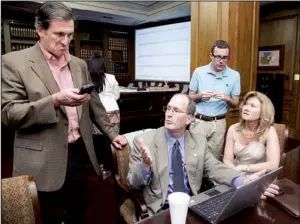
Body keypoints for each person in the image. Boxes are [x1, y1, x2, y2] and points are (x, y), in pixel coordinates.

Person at [1, 2, 127, 224]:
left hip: (78, 152)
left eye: (69, 35)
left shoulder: (79, 64)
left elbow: (94, 105)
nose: (66, 42)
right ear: (39, 29)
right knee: (46, 214)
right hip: (41, 157)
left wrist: (111, 134)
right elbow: (9, 114)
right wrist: (54, 101)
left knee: (80, 207)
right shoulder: (14, 63)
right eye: (59, 34)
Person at [126, 93, 279, 216]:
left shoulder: (198, 141)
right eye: (169, 108)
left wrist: (244, 182)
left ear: (189, 118)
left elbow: (215, 167)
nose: (169, 114)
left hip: (193, 206)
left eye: (176, 110)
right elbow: (131, 183)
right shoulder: (145, 141)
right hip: (160, 208)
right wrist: (144, 166)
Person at [189, 40, 241, 160]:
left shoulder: (234, 75)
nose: (221, 61)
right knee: (194, 158)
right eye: (218, 57)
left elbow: (236, 103)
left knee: (213, 161)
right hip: (198, 122)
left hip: (219, 124)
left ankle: (209, 180)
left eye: (225, 57)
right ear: (211, 56)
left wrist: (227, 98)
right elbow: (189, 98)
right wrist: (200, 96)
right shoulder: (199, 72)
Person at [223, 91, 280, 175]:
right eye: (246, 104)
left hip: (257, 175)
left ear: (262, 112)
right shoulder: (233, 129)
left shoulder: (269, 131)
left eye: (252, 106)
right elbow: (227, 159)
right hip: (236, 172)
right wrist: (234, 174)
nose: (246, 108)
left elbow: (273, 164)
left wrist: (245, 168)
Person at [88, 54, 121, 179]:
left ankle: (101, 168)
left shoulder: (87, 78)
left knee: (97, 141)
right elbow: (117, 95)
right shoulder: (111, 78)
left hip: (96, 113)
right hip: (113, 111)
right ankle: (115, 167)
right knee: (113, 139)